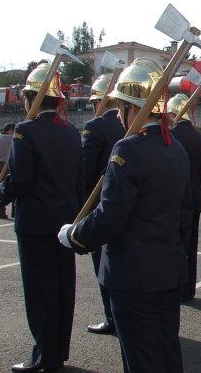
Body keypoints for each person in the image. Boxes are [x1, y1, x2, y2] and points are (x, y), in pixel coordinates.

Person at [58, 57, 191, 373]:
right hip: (168, 270)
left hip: (134, 276)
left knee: (141, 360)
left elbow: (110, 218)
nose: (118, 115)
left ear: (133, 108)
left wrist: (75, 235)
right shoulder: (176, 148)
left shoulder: (128, 149)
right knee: (166, 354)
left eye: (120, 106)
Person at [0, 63, 84, 372]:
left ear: (30, 99)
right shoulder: (71, 132)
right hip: (63, 221)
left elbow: (21, 180)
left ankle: (45, 355)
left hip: (36, 223)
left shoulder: (26, 131)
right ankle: (58, 351)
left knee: (40, 292)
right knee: (63, 289)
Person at [81, 73, 126, 336]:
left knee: (103, 265)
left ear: (99, 101)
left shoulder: (95, 126)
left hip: (99, 203)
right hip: (125, 203)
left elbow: (85, 169)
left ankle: (111, 317)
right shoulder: (126, 124)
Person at [167, 93, 201, 302]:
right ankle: (190, 288)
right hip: (194, 196)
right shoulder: (197, 136)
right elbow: (200, 171)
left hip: (178, 199)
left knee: (178, 245)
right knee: (191, 245)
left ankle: (180, 288)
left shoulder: (172, 137)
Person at [0, 122, 15, 219]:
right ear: (10, 131)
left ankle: (1, 213)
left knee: (0, 189)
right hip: (8, 165)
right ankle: (14, 212)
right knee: (14, 188)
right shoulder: (10, 139)